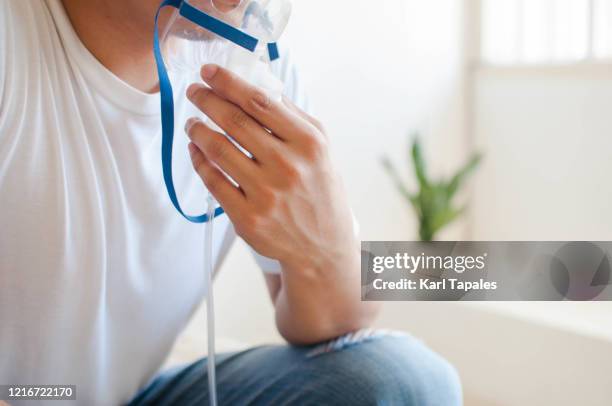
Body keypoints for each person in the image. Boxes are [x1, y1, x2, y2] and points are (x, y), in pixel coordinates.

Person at [0, 0, 462, 404]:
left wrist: (327, 246)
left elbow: (334, 325)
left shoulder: (250, 71)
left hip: (129, 395)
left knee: (405, 381)